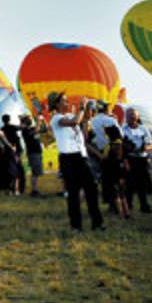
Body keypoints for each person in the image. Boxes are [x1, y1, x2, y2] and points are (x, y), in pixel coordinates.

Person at [50, 93, 104, 231]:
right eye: (64, 101)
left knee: (91, 189)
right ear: (56, 104)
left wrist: (86, 113)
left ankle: (97, 223)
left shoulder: (70, 116)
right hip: (69, 158)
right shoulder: (56, 118)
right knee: (73, 193)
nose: (67, 103)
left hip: (81, 157)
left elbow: (83, 136)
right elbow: (74, 122)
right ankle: (76, 226)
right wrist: (81, 108)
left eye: (67, 100)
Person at [121, 109, 152, 213]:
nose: (132, 117)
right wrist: (126, 147)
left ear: (138, 117)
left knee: (142, 184)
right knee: (129, 183)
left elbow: (151, 144)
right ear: (126, 117)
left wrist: (145, 148)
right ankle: (129, 206)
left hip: (142, 158)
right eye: (129, 115)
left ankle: (144, 206)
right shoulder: (123, 129)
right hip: (129, 158)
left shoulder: (144, 129)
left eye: (134, 115)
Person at [100, 125, 131, 220]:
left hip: (112, 172)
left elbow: (103, 158)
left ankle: (120, 214)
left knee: (115, 194)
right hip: (123, 171)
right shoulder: (123, 144)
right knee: (123, 193)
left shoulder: (109, 146)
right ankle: (127, 213)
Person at [19, 115, 44, 197]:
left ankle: (35, 190)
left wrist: (42, 121)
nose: (31, 120)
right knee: (35, 172)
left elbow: (43, 129)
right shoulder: (25, 130)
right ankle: (34, 191)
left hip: (37, 151)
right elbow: (36, 131)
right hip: (33, 152)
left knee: (36, 172)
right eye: (29, 119)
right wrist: (39, 121)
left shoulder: (31, 128)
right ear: (25, 121)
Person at [1, 114, 25, 195]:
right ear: (9, 119)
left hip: (7, 151)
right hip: (16, 150)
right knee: (18, 170)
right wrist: (21, 120)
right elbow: (22, 127)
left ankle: (10, 189)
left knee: (10, 170)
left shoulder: (2, 129)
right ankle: (18, 189)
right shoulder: (12, 127)